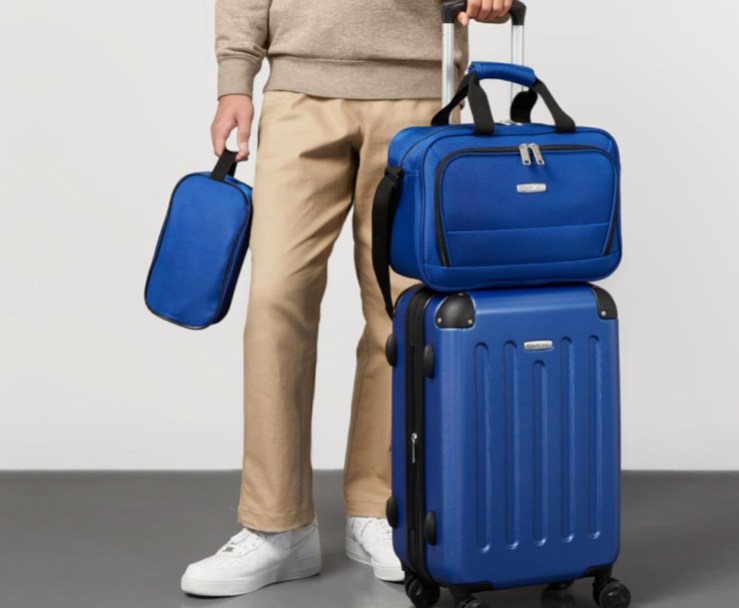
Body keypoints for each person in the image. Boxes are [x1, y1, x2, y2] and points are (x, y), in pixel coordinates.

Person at [180, 0, 514, 598]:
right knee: (276, 302)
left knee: (402, 313)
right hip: (299, 91)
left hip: (423, 92)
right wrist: (236, 76)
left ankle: (378, 508)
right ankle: (276, 525)